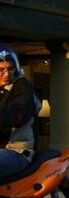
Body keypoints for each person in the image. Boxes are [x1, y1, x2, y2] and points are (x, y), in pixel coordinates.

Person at [0, 45, 39, 178]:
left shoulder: (23, 89)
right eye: (1, 70)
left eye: (10, 69)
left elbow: (16, 114)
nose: (6, 74)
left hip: (17, 151)